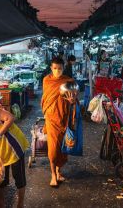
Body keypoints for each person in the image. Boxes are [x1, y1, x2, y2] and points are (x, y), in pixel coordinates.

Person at [41, 56, 76, 187]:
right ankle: (53, 175)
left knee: (63, 147)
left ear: (63, 68)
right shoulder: (46, 80)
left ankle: (58, 171)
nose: (57, 71)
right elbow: (46, 98)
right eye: (55, 68)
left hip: (64, 117)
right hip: (51, 118)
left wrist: (72, 102)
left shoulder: (68, 80)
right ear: (51, 68)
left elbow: (74, 99)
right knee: (53, 148)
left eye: (60, 69)